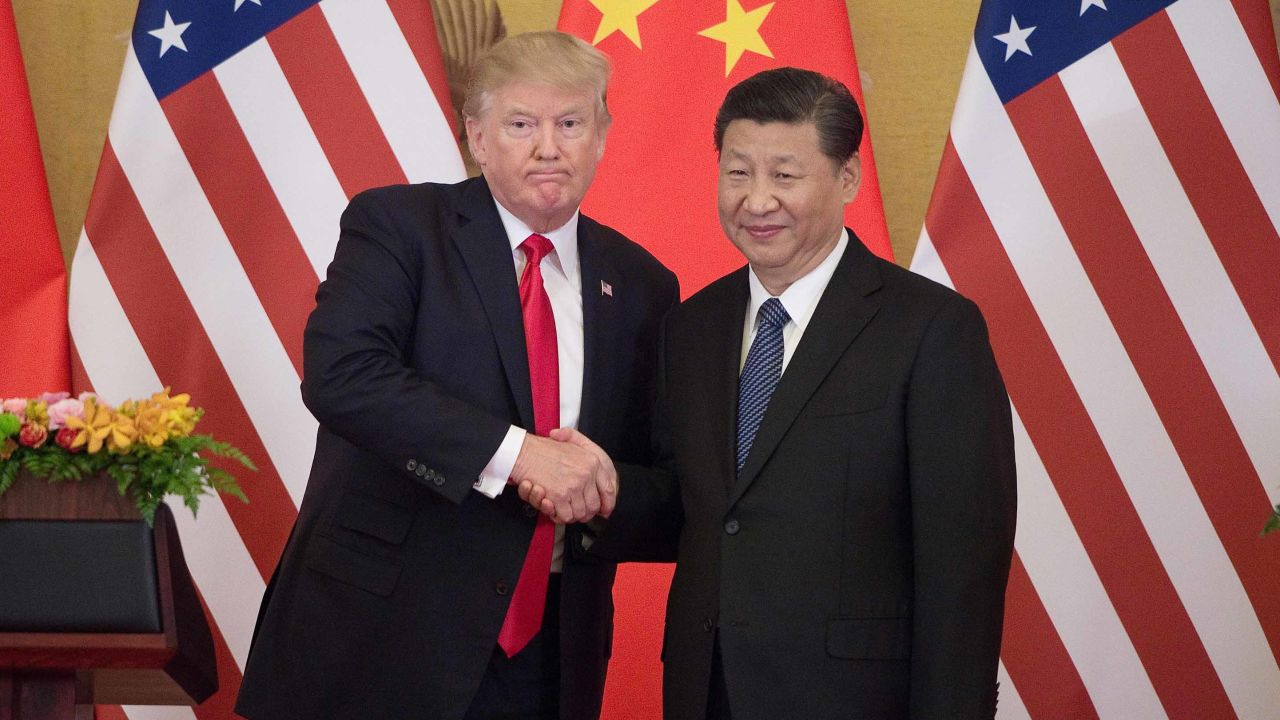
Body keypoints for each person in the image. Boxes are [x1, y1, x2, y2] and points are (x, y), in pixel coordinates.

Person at [545, 67, 1016, 719]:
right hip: (705, 691)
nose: (756, 201)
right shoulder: (690, 328)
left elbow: (963, 565)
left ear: (846, 178)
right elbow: (698, 507)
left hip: (854, 700)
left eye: (784, 176)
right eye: (738, 173)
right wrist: (603, 488)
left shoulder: (932, 329)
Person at [235, 31, 678, 720]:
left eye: (570, 124)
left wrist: (609, 485)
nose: (549, 148)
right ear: (477, 134)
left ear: (602, 135)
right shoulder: (399, 226)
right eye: (521, 124)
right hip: (381, 638)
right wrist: (518, 454)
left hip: (550, 659)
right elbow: (343, 376)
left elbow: (665, 480)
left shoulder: (644, 284)